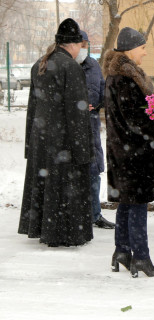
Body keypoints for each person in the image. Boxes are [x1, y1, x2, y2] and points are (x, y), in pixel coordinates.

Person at [18, 18, 94, 247]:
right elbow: (77, 112)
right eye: (81, 45)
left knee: (45, 184)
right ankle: (61, 233)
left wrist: (30, 145)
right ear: (72, 44)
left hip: (41, 139)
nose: (82, 50)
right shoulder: (71, 67)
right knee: (62, 188)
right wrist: (83, 151)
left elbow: (32, 108)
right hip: (63, 142)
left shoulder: (39, 64)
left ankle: (43, 227)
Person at [103, 27, 154, 278]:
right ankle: (141, 257)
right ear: (130, 49)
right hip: (134, 152)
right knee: (137, 204)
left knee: (127, 204)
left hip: (122, 151)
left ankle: (121, 250)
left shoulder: (115, 76)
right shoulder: (127, 79)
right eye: (142, 47)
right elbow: (136, 119)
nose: (145, 52)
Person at [76, 30, 115, 230]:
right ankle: (76, 215)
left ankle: (94, 214)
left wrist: (97, 104)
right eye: (80, 45)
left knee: (94, 171)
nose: (83, 49)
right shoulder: (66, 65)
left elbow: (101, 90)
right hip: (72, 129)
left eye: (86, 45)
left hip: (91, 127)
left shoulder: (93, 65)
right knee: (74, 172)